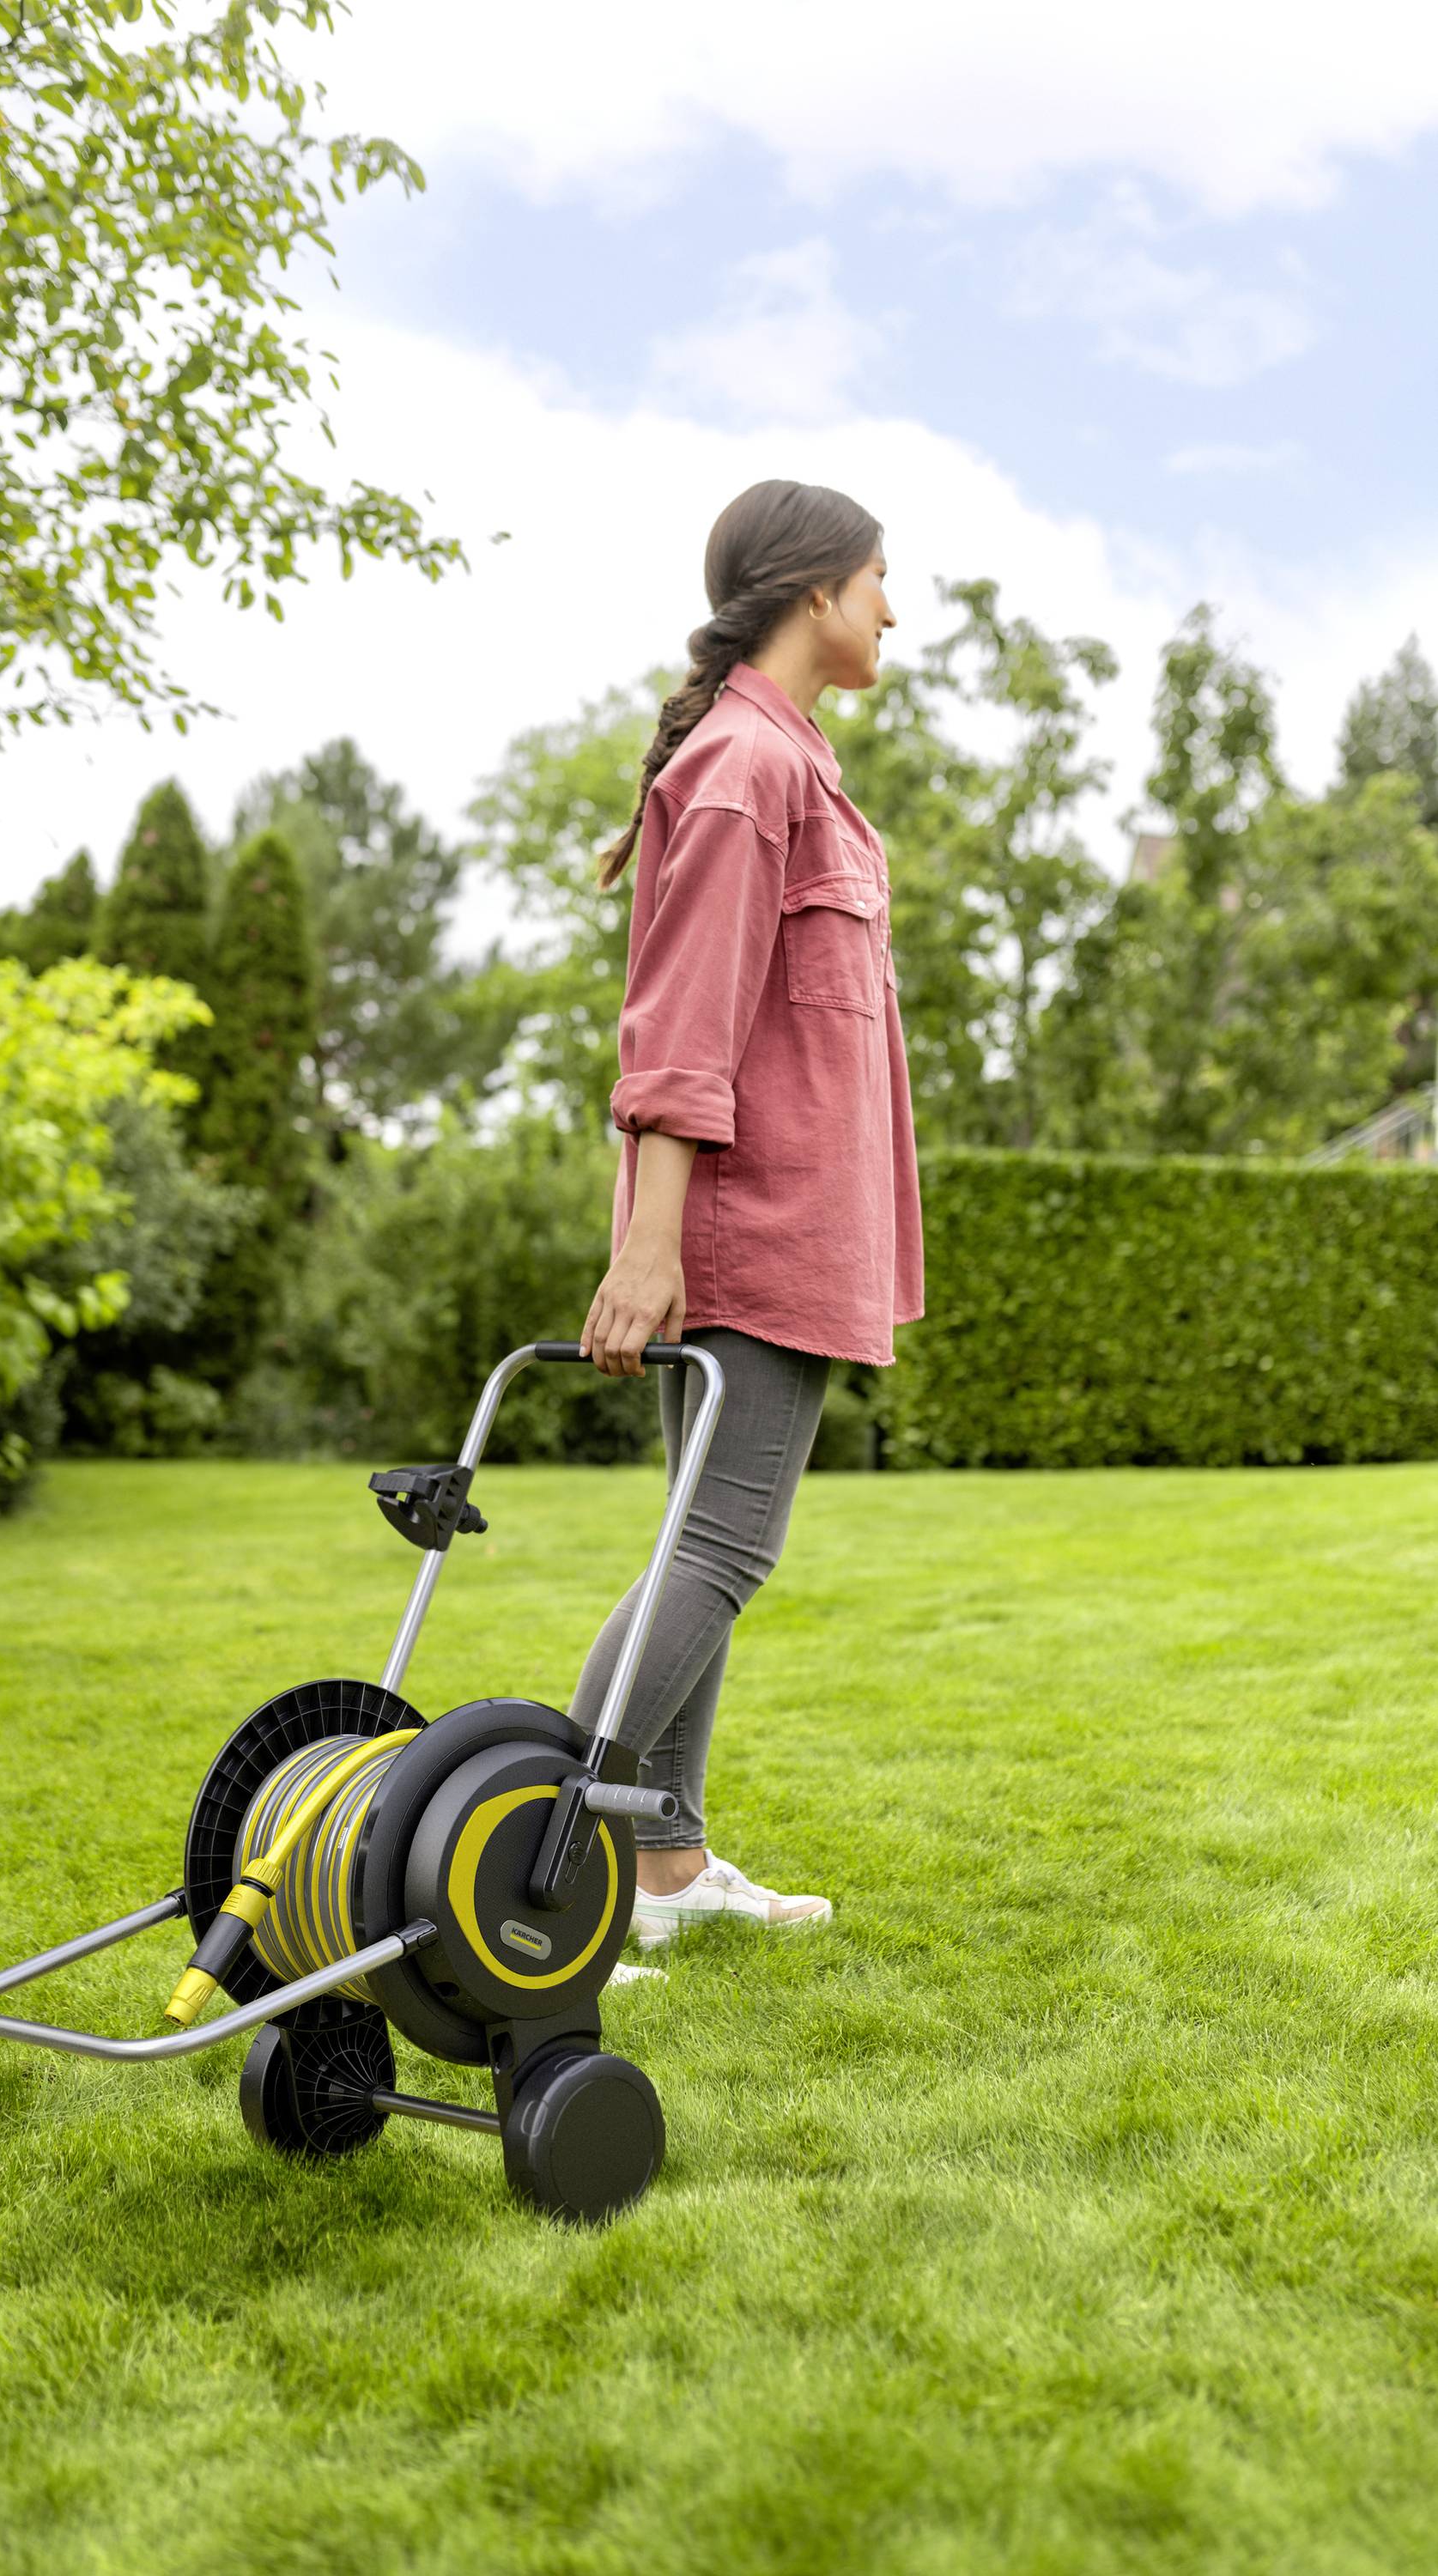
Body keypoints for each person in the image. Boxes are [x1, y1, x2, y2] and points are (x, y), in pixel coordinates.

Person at [568, 476, 925, 1949]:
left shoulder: (791, 762)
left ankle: (662, 1870)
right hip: (748, 1234)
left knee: (695, 1552)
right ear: (817, 594)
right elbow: (682, 1031)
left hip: (786, 1228)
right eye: (882, 580)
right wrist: (652, 1246)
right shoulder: (740, 770)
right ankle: (530, 1851)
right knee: (721, 1552)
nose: (896, 610)